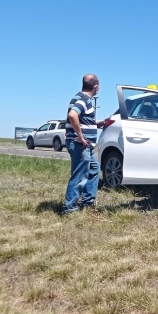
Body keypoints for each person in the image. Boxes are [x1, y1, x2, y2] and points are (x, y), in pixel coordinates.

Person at [60, 74, 104, 215]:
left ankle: (87, 201)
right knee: (79, 175)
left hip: (86, 145)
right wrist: (81, 137)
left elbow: (81, 119)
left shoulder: (79, 98)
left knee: (93, 170)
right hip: (81, 144)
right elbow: (73, 115)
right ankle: (69, 208)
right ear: (96, 87)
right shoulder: (83, 100)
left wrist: (96, 124)